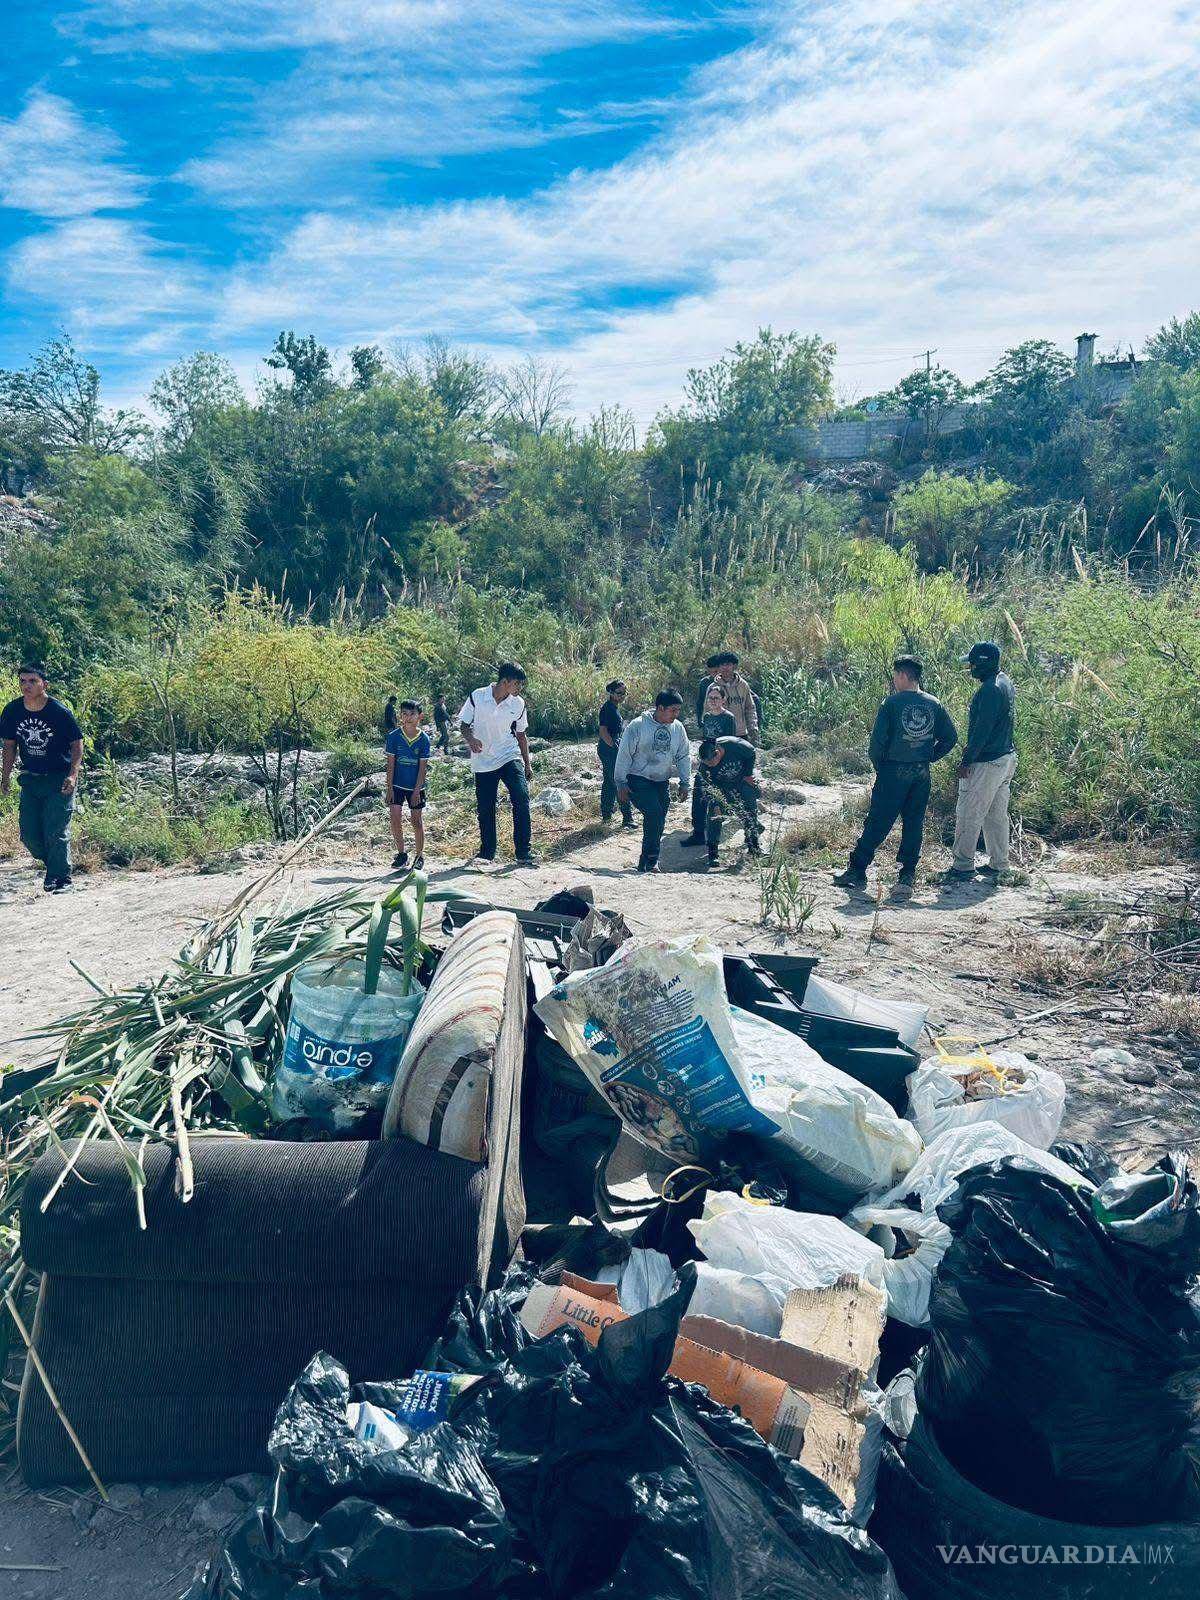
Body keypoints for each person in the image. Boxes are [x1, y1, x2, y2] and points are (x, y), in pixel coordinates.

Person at [833, 655, 958, 895]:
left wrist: (881, 769)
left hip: (893, 771)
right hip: (921, 774)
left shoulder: (890, 704)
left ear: (902, 675)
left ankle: (858, 869)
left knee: (878, 821)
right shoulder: (934, 704)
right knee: (914, 823)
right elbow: (950, 738)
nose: (894, 680)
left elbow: (876, 745)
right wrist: (929, 756)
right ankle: (906, 877)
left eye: (895, 676)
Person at [0, 662, 84, 893]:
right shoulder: (12, 711)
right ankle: (56, 867)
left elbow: (77, 744)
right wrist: (5, 776)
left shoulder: (59, 712)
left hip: (59, 779)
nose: (26, 685)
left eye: (32, 681)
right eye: (23, 681)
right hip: (31, 779)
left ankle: (62, 879)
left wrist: (73, 774)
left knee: (56, 831)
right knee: (29, 835)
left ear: (44, 684)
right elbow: (9, 746)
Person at [946, 641, 1017, 882]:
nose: (971, 667)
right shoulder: (1005, 681)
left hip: (987, 762)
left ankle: (963, 865)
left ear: (982, 663)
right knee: (996, 815)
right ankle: (999, 863)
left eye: (973, 663)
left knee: (969, 811)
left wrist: (967, 760)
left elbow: (981, 732)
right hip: (1006, 759)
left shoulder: (988, 690)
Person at [459, 663, 537, 866]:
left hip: (508, 755)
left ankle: (523, 852)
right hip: (483, 760)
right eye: (517, 683)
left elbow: (521, 735)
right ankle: (487, 853)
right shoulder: (478, 696)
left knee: (521, 797)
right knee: (486, 807)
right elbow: (464, 725)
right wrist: (471, 740)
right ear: (505, 681)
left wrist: (527, 764)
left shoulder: (518, 703)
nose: (520, 688)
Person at [614, 689, 691, 873]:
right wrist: (620, 783)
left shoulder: (677, 728)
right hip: (637, 779)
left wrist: (685, 782)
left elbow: (683, 755)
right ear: (660, 708)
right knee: (654, 813)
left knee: (658, 819)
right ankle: (651, 860)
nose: (676, 714)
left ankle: (646, 862)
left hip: (661, 781)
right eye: (673, 710)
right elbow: (624, 754)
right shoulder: (638, 725)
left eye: (678, 710)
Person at [683, 681, 737, 846]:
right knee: (698, 795)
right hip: (705, 762)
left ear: (723, 699)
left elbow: (730, 743)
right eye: (710, 698)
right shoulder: (706, 717)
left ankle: (714, 838)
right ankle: (698, 832)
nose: (713, 701)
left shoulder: (728, 718)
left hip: (720, 763)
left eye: (716, 698)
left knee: (716, 800)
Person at [696, 735, 761, 867]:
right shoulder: (705, 767)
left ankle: (753, 847)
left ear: (717, 753)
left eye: (710, 763)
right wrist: (715, 803)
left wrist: (748, 774)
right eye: (706, 764)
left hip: (742, 781)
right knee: (715, 815)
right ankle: (713, 853)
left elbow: (751, 753)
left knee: (750, 811)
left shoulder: (736, 746)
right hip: (721, 787)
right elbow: (708, 788)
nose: (708, 766)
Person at [385, 700, 431, 870]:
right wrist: (389, 788)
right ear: (400, 716)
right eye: (404, 714)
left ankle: (419, 856)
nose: (408, 717)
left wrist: (416, 791)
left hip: (416, 787)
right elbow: (390, 765)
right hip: (397, 785)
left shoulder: (424, 739)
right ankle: (402, 854)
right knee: (395, 818)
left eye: (412, 714)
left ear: (420, 716)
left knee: (416, 821)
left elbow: (422, 768)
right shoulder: (393, 737)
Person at [695, 651, 759, 744]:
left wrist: (753, 728)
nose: (725, 667)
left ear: (734, 666)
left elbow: (750, 708)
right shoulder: (712, 687)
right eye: (722, 664)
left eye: (728, 664)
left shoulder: (743, 685)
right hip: (720, 734)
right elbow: (707, 711)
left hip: (740, 733)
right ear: (719, 667)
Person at [597, 680, 634, 827]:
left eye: (624, 693)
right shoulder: (608, 708)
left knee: (609, 782)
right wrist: (614, 747)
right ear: (611, 693)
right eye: (619, 693)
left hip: (610, 748)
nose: (622, 696)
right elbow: (603, 731)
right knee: (619, 781)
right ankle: (627, 818)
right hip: (609, 749)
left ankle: (606, 815)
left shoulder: (613, 707)